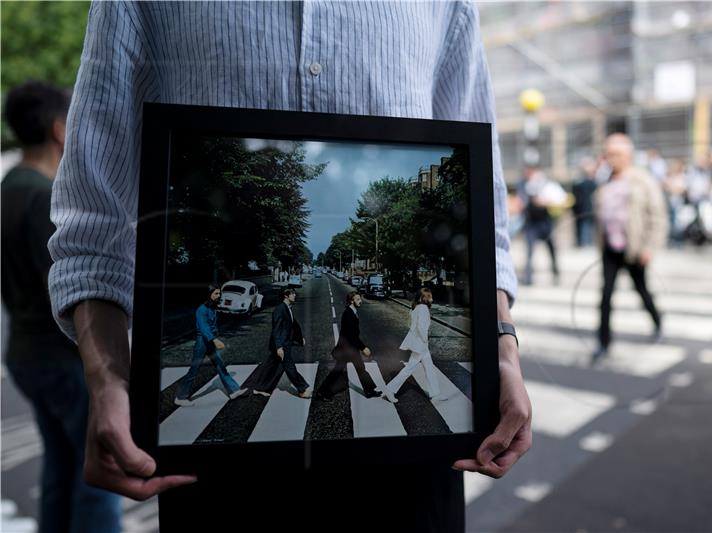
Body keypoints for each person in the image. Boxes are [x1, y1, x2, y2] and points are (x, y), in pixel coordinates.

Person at [48, 3, 531, 531]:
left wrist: (502, 347)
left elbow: (480, 207)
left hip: (413, 471)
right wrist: (108, 379)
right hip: (221, 478)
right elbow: (95, 218)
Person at [1, 81, 121, 533]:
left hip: (24, 356)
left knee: (59, 468)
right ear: (59, 129)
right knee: (99, 479)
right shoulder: (44, 198)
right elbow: (70, 287)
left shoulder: (10, 185)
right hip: (64, 360)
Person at [592, 134, 668, 364]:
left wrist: (650, 247)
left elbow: (657, 215)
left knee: (642, 290)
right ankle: (603, 342)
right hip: (610, 248)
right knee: (605, 296)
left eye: (616, 154)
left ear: (628, 156)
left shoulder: (642, 180)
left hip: (634, 248)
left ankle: (657, 322)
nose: (611, 159)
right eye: (608, 154)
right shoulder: (604, 181)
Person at [173, 285, 248, 406]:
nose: (219, 296)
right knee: (194, 369)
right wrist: (214, 340)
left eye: (219, 294)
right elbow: (204, 327)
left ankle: (234, 391)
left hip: (210, 341)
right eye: (216, 294)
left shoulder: (212, 308)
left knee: (220, 365)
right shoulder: (201, 309)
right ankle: (181, 397)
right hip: (203, 341)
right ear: (209, 294)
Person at [316, 291, 380, 400]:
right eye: (358, 299)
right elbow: (352, 335)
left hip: (351, 348)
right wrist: (363, 347)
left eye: (360, 299)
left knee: (360, 369)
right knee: (338, 371)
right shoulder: (348, 314)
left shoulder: (352, 312)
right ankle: (322, 393)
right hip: (346, 349)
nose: (360, 301)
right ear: (351, 301)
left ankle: (369, 391)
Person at [382, 288, 443, 403]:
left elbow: (412, 325)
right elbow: (421, 327)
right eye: (429, 297)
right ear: (423, 298)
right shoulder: (423, 308)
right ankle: (390, 389)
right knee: (410, 368)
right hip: (421, 344)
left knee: (429, 368)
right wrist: (425, 340)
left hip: (419, 343)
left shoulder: (415, 308)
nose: (432, 299)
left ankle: (435, 394)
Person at [251, 287, 312, 398]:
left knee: (271, 366)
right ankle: (302, 389)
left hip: (284, 342)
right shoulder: (279, 309)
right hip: (282, 344)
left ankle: (260, 388)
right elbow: (276, 329)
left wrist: (299, 338)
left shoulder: (287, 308)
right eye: (293, 293)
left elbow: (293, 324)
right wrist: (279, 347)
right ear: (286, 296)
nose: (295, 295)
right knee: (289, 367)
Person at [519, 166, 566, 285]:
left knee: (552, 249)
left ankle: (556, 272)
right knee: (529, 251)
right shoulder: (524, 186)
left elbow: (561, 199)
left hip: (546, 222)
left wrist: (546, 201)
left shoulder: (549, 186)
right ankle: (528, 278)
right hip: (531, 224)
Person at [571, 157, 598, 247]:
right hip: (582, 209)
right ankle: (583, 244)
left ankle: (587, 243)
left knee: (589, 228)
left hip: (591, 208)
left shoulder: (595, 181)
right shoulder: (580, 181)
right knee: (583, 227)